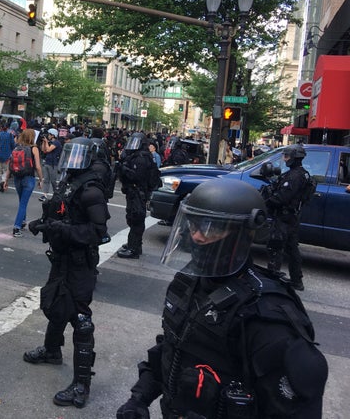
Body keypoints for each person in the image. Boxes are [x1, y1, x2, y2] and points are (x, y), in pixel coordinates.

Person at [116, 179, 328, 419]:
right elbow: (172, 348)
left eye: (211, 228)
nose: (197, 236)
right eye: (194, 225)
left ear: (243, 233)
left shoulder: (267, 317)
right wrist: (139, 398)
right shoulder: (186, 283)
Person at [24, 137, 113, 409]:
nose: (72, 160)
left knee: (80, 317)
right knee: (56, 302)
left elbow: (98, 232)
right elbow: (64, 213)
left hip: (80, 261)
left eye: (78, 155)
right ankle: (52, 350)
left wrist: (61, 230)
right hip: (62, 256)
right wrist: (46, 223)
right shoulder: (71, 181)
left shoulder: (91, 189)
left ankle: (81, 384)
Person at [261, 144, 314, 291]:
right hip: (292, 217)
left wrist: (267, 201)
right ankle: (297, 281)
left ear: (294, 158)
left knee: (275, 246)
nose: (285, 159)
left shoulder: (294, 176)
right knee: (291, 248)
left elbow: (282, 198)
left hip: (284, 217)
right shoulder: (302, 173)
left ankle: (272, 281)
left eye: (287, 156)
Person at [117, 132, 157, 259]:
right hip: (134, 192)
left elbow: (136, 177)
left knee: (136, 219)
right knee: (133, 217)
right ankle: (134, 244)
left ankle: (133, 249)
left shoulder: (141, 158)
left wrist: (123, 169)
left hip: (137, 192)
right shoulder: (139, 155)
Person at [10, 128, 43, 237]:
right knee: (23, 203)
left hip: (17, 176)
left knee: (21, 202)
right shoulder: (34, 148)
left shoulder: (17, 148)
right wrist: (41, 179)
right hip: (28, 177)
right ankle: (16, 227)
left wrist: (5, 179)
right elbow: (38, 166)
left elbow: (10, 163)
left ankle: (22, 220)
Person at [39, 128, 61, 202]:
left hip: (53, 164)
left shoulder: (56, 143)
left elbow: (48, 150)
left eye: (49, 134)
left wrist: (46, 142)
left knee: (53, 181)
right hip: (47, 162)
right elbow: (43, 150)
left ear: (53, 135)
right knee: (46, 180)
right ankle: (44, 195)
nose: (48, 136)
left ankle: (57, 194)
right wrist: (44, 142)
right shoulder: (50, 142)